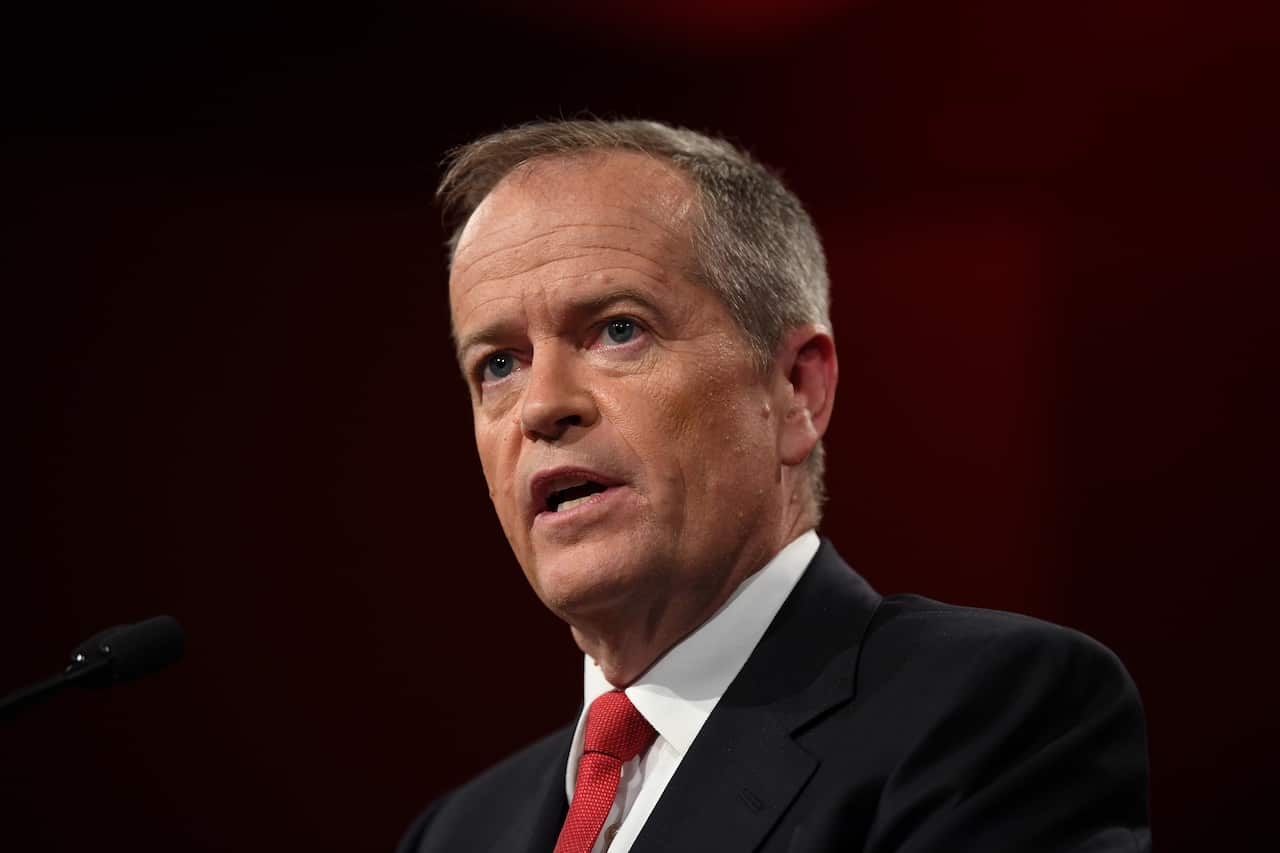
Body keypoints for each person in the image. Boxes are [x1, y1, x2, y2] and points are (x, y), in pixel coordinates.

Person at [398, 119, 1151, 853]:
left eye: (618, 329)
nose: (541, 405)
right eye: (498, 363)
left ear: (796, 389)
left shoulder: (988, 716)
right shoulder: (456, 832)